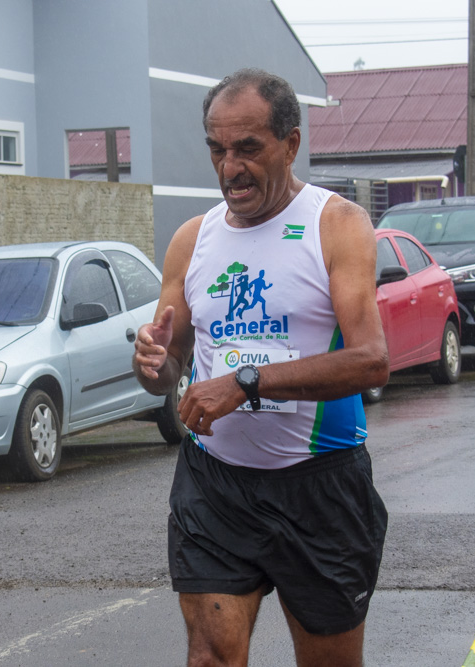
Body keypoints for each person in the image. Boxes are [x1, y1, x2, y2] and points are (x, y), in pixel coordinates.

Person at [132, 68, 390, 667]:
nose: (230, 167)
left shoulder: (337, 224)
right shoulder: (192, 239)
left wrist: (246, 384)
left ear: (290, 144)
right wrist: (154, 362)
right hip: (215, 483)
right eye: (218, 150)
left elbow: (372, 360)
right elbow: (167, 367)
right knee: (211, 656)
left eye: (248, 149)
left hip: (319, 483)